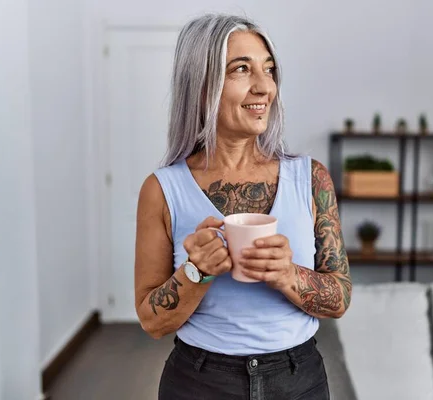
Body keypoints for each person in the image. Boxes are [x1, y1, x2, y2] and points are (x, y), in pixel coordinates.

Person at [134, 13, 352, 400]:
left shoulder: (312, 178)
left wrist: (286, 274)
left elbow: (339, 299)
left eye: (268, 70)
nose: (263, 87)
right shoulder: (161, 189)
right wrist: (196, 272)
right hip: (199, 382)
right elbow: (153, 321)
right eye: (241, 69)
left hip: (297, 379)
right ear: (202, 86)